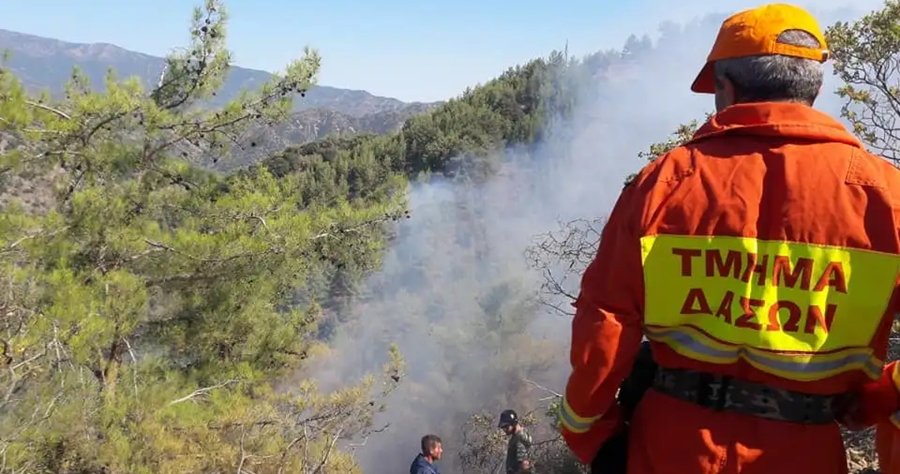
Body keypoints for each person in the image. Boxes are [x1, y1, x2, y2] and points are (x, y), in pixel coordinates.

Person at [557, 3, 900, 473]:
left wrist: (588, 430)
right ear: (814, 86)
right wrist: (872, 400)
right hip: (806, 450)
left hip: (669, 447)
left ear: (726, 86)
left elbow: (607, 318)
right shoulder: (887, 197)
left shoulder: (663, 182)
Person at [499, 409, 534, 473]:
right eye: (503, 427)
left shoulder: (520, 438)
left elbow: (524, 465)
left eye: (506, 426)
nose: (504, 430)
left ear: (514, 424)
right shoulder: (517, 437)